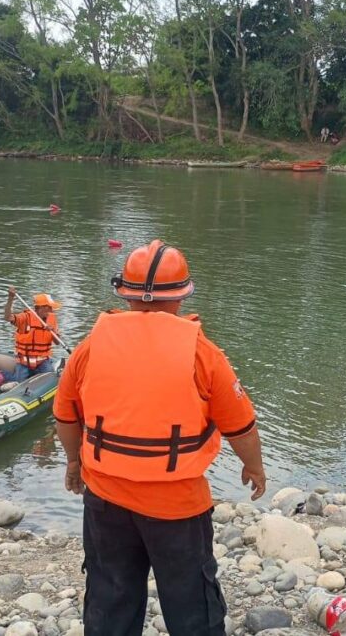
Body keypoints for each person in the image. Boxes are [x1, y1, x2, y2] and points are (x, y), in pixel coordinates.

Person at [54, 239, 267, 636]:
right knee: (192, 607)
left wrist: (72, 462)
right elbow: (241, 424)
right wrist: (254, 466)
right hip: (177, 506)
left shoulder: (89, 348)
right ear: (182, 296)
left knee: (110, 600)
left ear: (125, 294)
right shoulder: (203, 354)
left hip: (105, 500)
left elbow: (66, 416)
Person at [4, 286, 61, 380]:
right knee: (18, 381)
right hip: (24, 361)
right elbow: (7, 317)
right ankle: (2, 375)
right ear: (41, 308)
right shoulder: (25, 318)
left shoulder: (52, 319)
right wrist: (10, 298)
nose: (51, 310)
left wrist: (53, 332)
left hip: (42, 361)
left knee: (51, 378)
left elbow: (57, 342)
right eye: (49, 307)